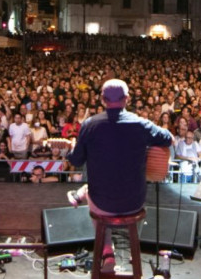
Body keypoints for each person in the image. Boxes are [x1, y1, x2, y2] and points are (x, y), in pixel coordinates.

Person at [66, 79, 173, 274]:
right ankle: (133, 251)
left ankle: (108, 251)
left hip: (102, 203)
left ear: (102, 99)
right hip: (134, 202)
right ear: (127, 99)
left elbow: (76, 160)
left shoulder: (89, 125)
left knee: (94, 194)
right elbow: (168, 138)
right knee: (113, 193)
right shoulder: (141, 124)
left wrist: (71, 149)